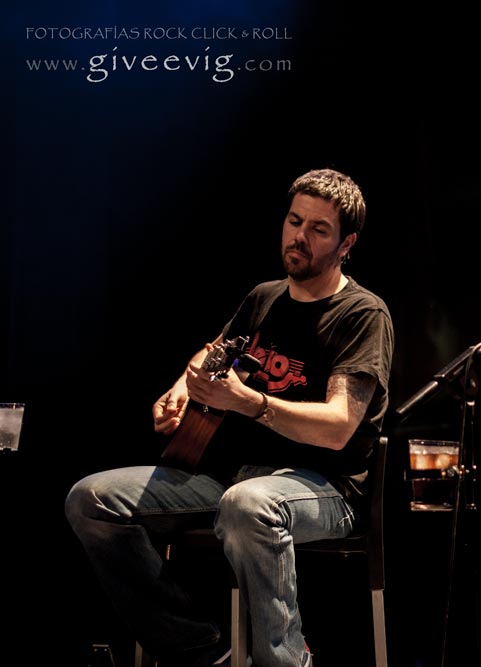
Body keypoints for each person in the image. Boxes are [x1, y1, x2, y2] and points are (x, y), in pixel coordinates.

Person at [65, 168, 395, 667]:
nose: (299, 236)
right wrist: (180, 390)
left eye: (318, 229)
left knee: (248, 504)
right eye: (293, 221)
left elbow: (338, 426)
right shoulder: (264, 298)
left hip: (325, 488)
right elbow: (213, 353)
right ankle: (201, 652)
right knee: (91, 500)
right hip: (229, 477)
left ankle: (286, 662)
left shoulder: (362, 314)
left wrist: (251, 404)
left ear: (346, 243)